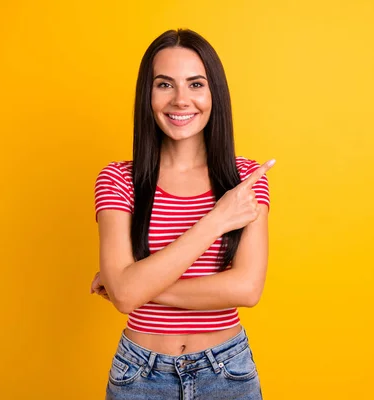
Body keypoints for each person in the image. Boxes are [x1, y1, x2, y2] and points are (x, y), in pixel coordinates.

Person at [88, 28, 274, 399]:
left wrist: (139, 286)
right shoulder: (117, 179)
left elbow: (246, 288)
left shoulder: (244, 180)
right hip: (139, 375)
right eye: (164, 85)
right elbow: (125, 295)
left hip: (228, 372)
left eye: (195, 84)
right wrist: (217, 220)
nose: (180, 100)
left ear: (213, 94)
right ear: (148, 94)